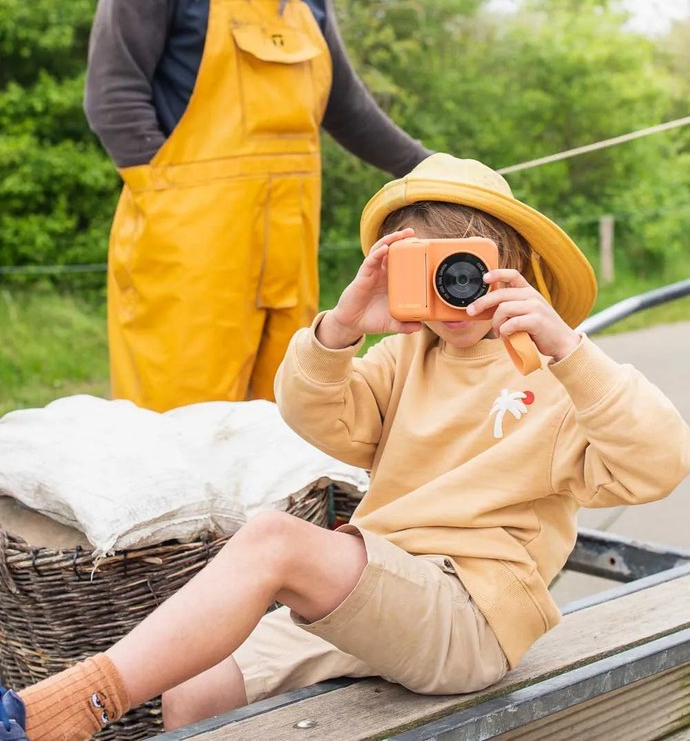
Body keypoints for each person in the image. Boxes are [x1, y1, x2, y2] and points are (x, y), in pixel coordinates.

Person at [3, 152, 690, 741]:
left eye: (463, 267)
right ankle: (79, 704)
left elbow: (660, 463)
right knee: (195, 694)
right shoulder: (403, 358)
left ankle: (65, 707)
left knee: (275, 540)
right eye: (422, 270)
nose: (450, 290)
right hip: (382, 590)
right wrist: (342, 326)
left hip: (470, 614)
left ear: (507, 263)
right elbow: (317, 417)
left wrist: (567, 346)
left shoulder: (555, 375)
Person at [84, 0, 430, 412]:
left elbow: (343, 103)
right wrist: (171, 203)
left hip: (287, 248)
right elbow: (111, 94)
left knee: (280, 426)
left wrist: (432, 169)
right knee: (180, 430)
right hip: (186, 251)